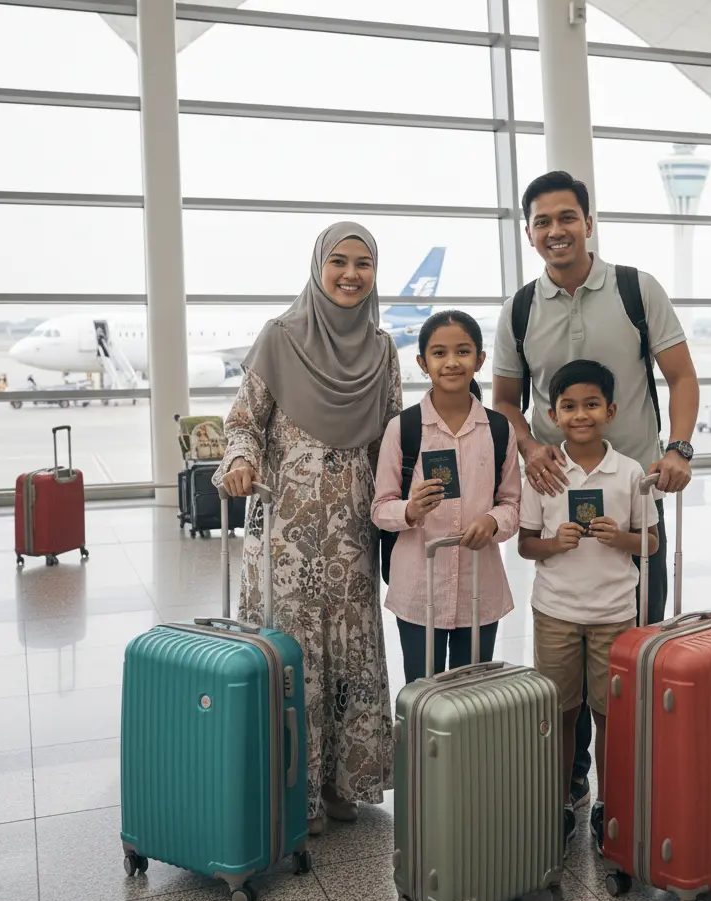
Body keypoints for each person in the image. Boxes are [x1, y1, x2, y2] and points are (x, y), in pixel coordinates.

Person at [493, 170, 698, 812]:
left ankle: (626, 778)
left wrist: (679, 447)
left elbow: (681, 377)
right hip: (559, 498)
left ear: (589, 222)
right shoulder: (521, 308)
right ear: (530, 234)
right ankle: (569, 777)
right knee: (563, 642)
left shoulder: (637, 290)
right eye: (543, 222)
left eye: (567, 218)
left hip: (634, 495)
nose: (557, 231)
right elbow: (503, 400)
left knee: (630, 647)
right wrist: (529, 447)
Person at [217, 221, 400, 837]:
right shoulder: (281, 337)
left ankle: (342, 781)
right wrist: (241, 460)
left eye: (364, 263)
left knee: (348, 654)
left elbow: (394, 440)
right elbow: (244, 421)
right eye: (339, 262)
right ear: (318, 265)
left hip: (351, 534)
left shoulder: (383, 350)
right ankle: (295, 787)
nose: (351, 274)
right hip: (284, 535)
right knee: (294, 656)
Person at [518, 359, 658, 857]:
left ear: (611, 411)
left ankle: (608, 804)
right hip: (555, 610)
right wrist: (555, 544)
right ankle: (558, 802)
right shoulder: (544, 473)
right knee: (559, 712)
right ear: (553, 414)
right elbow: (526, 545)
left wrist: (620, 537)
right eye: (570, 406)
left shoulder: (631, 473)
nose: (581, 415)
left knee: (609, 715)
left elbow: (652, 543)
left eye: (592, 405)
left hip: (615, 614)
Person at [372, 310, 521, 682]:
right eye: (439, 353)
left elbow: (513, 506)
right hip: (419, 591)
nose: (451, 362)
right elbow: (379, 508)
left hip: (479, 589)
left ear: (480, 360)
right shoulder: (403, 428)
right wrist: (409, 509)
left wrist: (492, 521)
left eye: (463, 351)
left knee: (471, 698)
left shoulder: (499, 430)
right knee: (422, 693)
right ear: (423, 363)